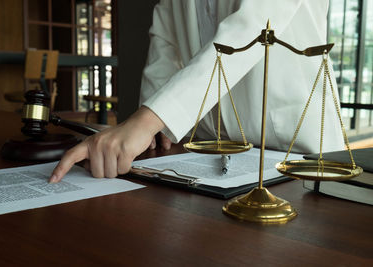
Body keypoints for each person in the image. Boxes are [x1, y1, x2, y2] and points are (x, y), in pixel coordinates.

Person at [49, 0, 343, 183]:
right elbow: (164, 42)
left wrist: (146, 121)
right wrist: (156, 128)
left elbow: (250, 30)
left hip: (296, 148)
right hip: (214, 149)